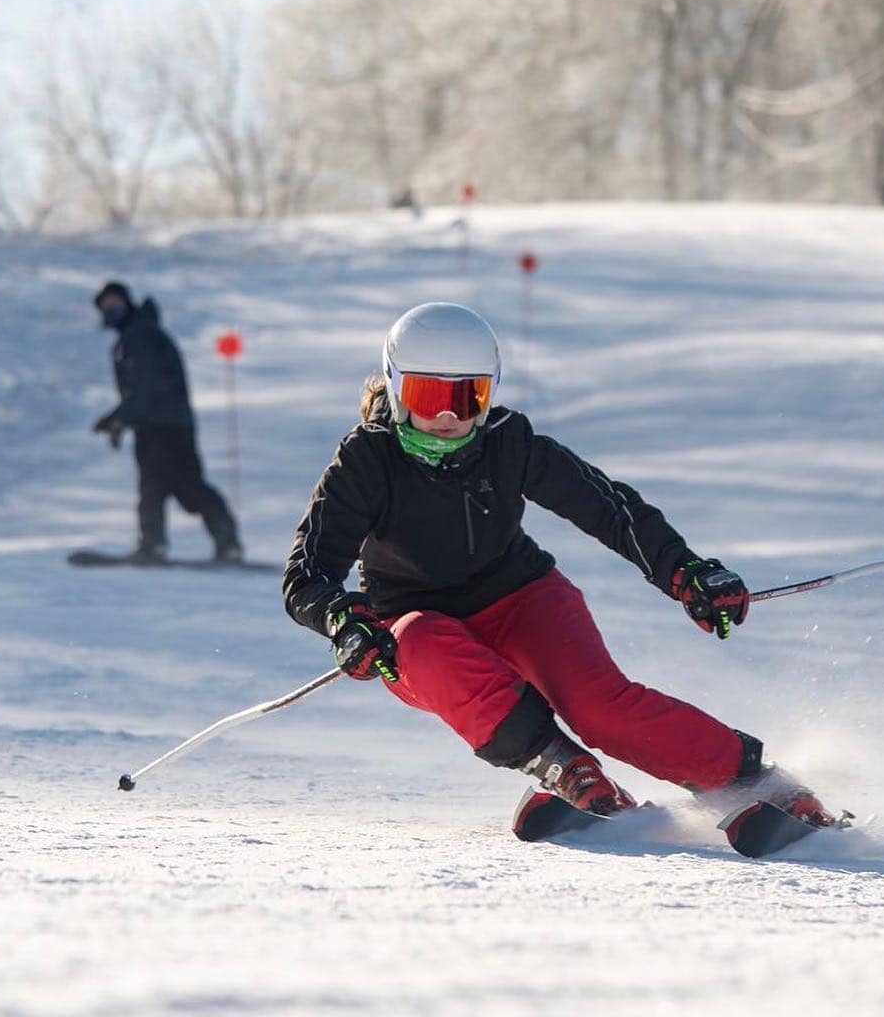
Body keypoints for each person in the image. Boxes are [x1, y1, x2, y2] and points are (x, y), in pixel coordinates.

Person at [283, 301, 835, 828]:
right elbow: (306, 574)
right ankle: (567, 770)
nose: (449, 415)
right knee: (421, 639)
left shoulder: (508, 443)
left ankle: (757, 784)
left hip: (521, 602)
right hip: (418, 638)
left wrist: (683, 570)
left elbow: (611, 509)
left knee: (600, 709)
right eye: (429, 396)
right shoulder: (366, 461)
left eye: (468, 395)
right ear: (398, 386)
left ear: (490, 390)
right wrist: (342, 620)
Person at [92, 280, 243, 563]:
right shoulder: (141, 334)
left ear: (127, 303)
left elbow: (145, 387)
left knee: (156, 486)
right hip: (170, 424)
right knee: (187, 487)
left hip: (160, 427)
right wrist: (120, 421)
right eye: (105, 307)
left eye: (115, 304)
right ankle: (226, 542)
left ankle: (153, 545)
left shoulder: (140, 336)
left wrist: (119, 419)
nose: (111, 311)